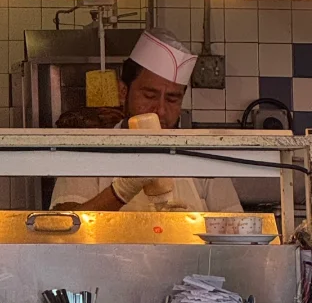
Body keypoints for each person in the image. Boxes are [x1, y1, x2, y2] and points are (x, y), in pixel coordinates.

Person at [50, 27, 244, 213]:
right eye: (149, 96)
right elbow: (63, 227)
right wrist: (122, 190)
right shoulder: (89, 153)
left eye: (172, 99)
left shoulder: (201, 156)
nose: (160, 110)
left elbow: (236, 229)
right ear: (123, 92)